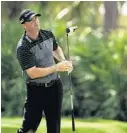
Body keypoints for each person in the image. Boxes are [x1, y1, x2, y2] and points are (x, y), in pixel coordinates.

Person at [16, 9, 73, 133]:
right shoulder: (23, 47)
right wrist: (57, 67)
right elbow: (33, 73)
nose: (36, 21)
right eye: (31, 20)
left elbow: (56, 49)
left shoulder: (48, 34)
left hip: (54, 88)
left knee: (54, 127)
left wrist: (63, 61)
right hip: (35, 90)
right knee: (28, 129)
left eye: (36, 18)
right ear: (23, 25)